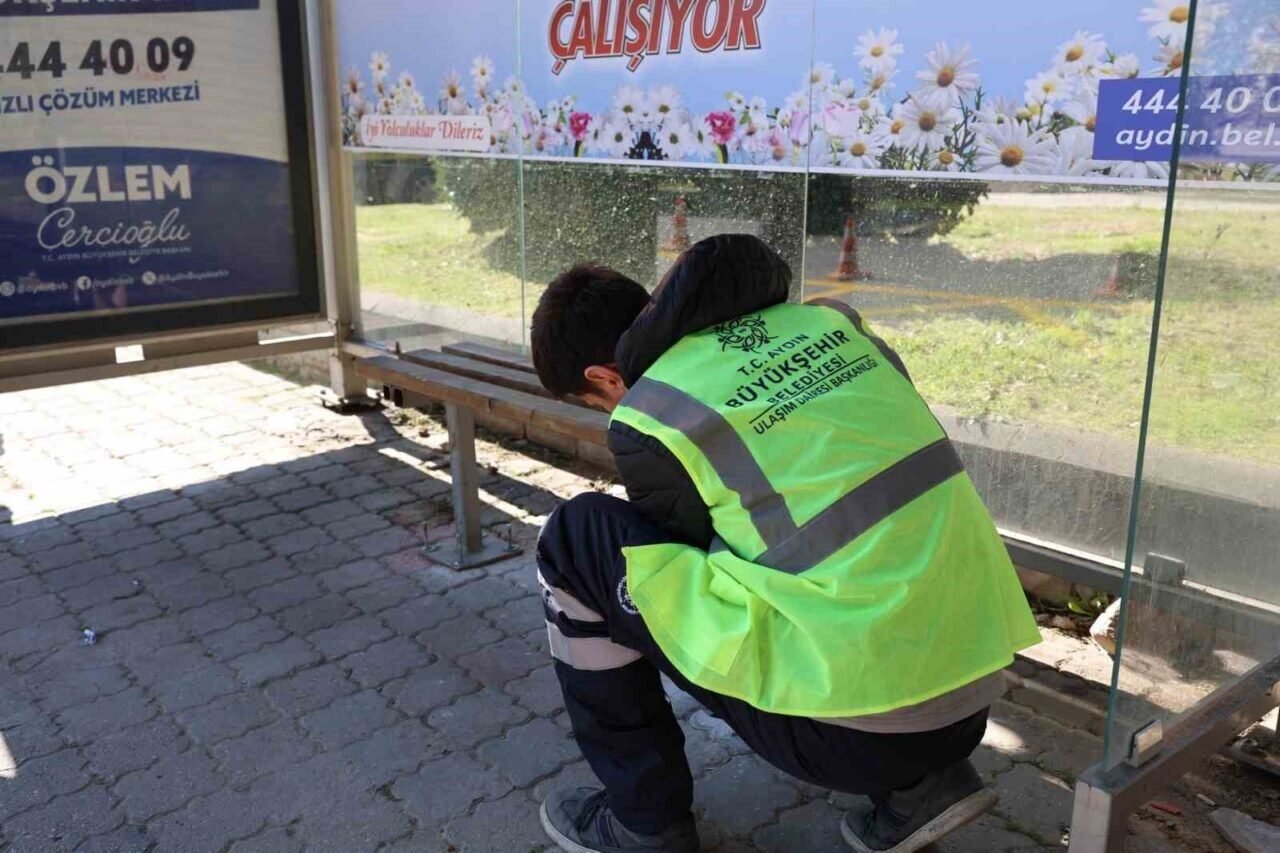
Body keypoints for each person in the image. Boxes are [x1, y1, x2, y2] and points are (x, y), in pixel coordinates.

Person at [529, 233, 1041, 853]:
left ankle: (645, 821)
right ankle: (920, 787)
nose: (612, 411)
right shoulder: (833, 326)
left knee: (577, 540)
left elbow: (685, 568)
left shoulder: (655, 413)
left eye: (598, 401)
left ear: (605, 376)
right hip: (975, 679)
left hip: (854, 734)